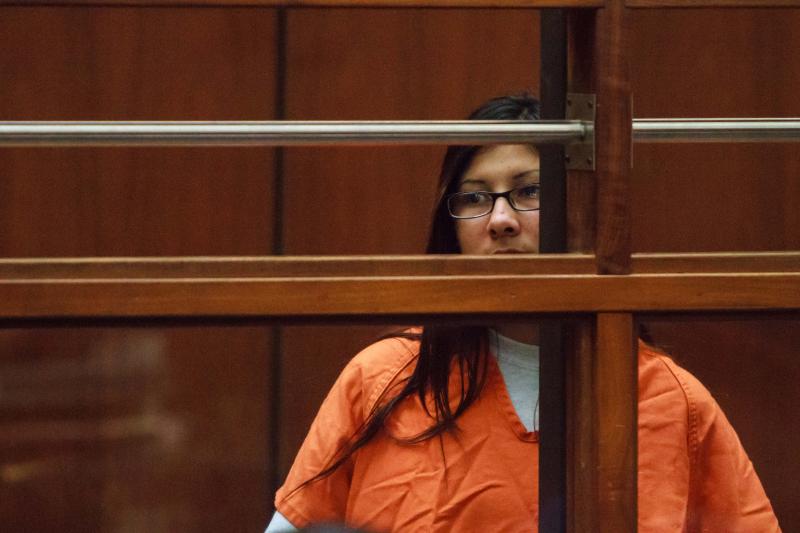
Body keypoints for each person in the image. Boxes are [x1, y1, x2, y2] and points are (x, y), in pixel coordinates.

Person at [267, 94, 780, 532]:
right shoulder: (383, 378)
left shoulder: (669, 398)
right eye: (474, 197)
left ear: (577, 205)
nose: (501, 220)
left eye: (529, 191)